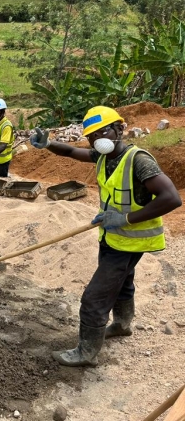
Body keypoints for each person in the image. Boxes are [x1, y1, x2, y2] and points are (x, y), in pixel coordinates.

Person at [30, 106, 182, 367]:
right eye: (92, 136)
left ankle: (86, 352)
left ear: (120, 129)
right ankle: (122, 324)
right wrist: (48, 144)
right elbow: (70, 151)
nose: (97, 139)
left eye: (103, 132)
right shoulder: (103, 156)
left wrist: (124, 219)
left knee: (94, 298)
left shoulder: (138, 160)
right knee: (123, 283)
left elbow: (172, 198)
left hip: (128, 240)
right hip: (113, 237)